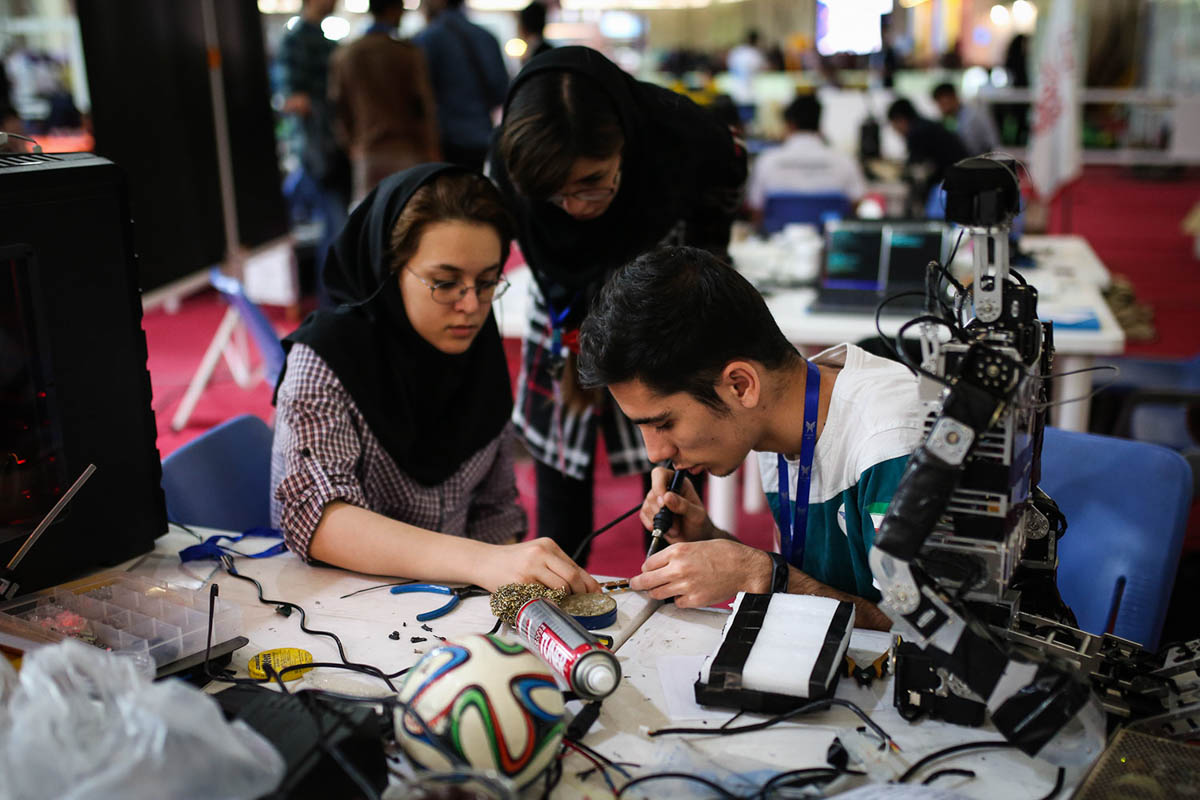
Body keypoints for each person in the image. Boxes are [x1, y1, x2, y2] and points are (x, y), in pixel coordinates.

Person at [271, 164, 599, 595]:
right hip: (342, 604)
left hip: (453, 604)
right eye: (445, 283)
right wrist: (482, 562)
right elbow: (316, 517)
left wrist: (508, 601)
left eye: (487, 282)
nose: (471, 305)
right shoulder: (326, 358)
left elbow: (496, 509)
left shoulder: (475, 349)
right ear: (391, 269)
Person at [577, 246, 928, 630]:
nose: (656, 453)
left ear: (741, 386)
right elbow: (822, 586)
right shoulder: (777, 415)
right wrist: (710, 538)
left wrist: (761, 574)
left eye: (663, 423)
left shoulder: (890, 442)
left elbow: (916, 640)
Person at [489, 46, 746, 565]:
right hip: (561, 318)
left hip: (664, 306)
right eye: (555, 196)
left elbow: (713, 239)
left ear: (624, 147)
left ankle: (673, 617)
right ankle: (557, 614)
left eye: (592, 181)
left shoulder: (686, 140)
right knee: (560, 478)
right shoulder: (510, 161)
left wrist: (696, 315)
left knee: (670, 481)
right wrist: (575, 329)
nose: (577, 208)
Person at [328, 0, 440, 205]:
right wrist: (432, 148)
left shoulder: (346, 54)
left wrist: (351, 144)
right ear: (394, 11)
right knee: (412, 211)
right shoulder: (406, 53)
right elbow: (423, 106)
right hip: (407, 148)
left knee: (368, 215)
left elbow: (338, 107)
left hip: (367, 150)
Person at [276, 0, 349, 307]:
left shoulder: (325, 42)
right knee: (332, 227)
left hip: (331, 149)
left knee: (334, 227)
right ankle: (329, 302)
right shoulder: (295, 40)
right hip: (318, 151)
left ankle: (330, 299)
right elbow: (293, 100)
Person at [745, 93, 866, 227]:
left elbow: (756, 209)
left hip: (777, 241)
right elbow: (857, 204)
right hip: (828, 241)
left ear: (790, 124)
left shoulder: (767, 161)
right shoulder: (844, 161)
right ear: (819, 122)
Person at [414, 0, 508, 172]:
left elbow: (419, 95)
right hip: (482, 137)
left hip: (446, 141)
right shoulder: (486, 37)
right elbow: (501, 91)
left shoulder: (427, 39)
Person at [886, 97, 969, 216]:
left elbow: (916, 170)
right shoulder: (928, 126)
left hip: (951, 188)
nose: (895, 131)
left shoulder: (917, 133)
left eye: (894, 125)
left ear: (901, 120)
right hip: (960, 182)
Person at [931, 82, 999, 156]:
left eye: (941, 103)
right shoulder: (959, 116)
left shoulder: (971, 117)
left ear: (953, 98)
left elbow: (970, 148)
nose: (940, 108)